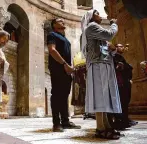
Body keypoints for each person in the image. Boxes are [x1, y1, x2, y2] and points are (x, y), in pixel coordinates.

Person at [81, 10, 122, 139]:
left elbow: (105, 49)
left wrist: (113, 50)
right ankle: (100, 127)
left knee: (104, 96)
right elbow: (110, 35)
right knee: (100, 96)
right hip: (98, 65)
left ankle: (106, 125)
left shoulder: (96, 30)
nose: (100, 15)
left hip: (103, 64)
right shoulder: (92, 27)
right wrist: (114, 24)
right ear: (92, 17)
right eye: (97, 13)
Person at [47, 18, 81, 132]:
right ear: (54, 25)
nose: (63, 22)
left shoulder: (65, 38)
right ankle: (56, 123)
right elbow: (52, 50)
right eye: (60, 21)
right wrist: (64, 64)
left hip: (66, 69)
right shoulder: (52, 34)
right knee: (56, 95)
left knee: (64, 96)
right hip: (58, 68)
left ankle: (65, 121)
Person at [108, 44, 138, 130]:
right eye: (119, 46)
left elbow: (126, 67)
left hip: (122, 82)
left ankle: (125, 120)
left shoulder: (119, 56)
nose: (122, 47)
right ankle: (120, 121)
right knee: (121, 102)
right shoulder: (114, 56)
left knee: (124, 102)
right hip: (117, 83)